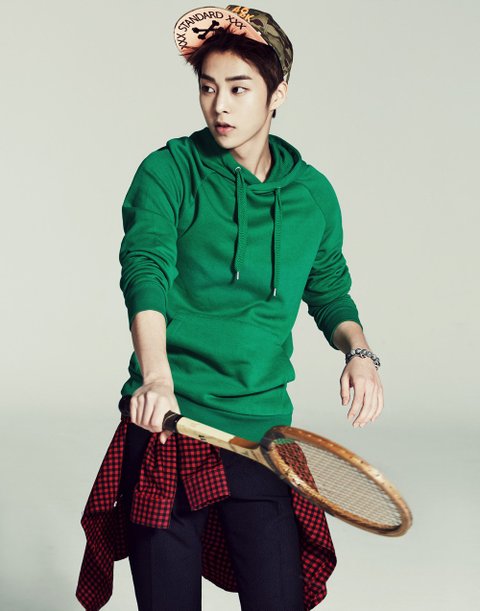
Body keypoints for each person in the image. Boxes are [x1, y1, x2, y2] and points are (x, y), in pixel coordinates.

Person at [76, 5, 384, 611]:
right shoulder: (168, 172)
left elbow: (328, 288)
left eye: (239, 88)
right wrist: (156, 376)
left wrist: (360, 353)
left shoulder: (312, 195)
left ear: (277, 93)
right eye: (208, 87)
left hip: (260, 437)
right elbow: (145, 270)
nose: (220, 105)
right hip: (170, 426)